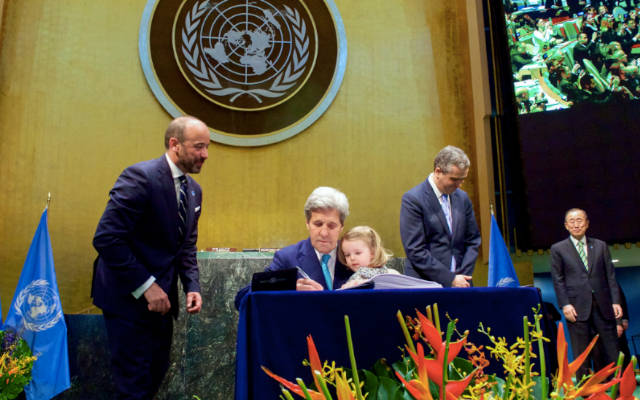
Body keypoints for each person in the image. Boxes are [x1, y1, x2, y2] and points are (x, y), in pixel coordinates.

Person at [91, 116, 210, 399]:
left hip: (162, 306)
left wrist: (192, 285)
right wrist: (147, 286)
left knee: (154, 377)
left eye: (207, 147)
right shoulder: (139, 177)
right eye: (198, 146)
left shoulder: (194, 190)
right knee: (133, 385)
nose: (205, 154)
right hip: (127, 300)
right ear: (175, 144)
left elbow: (185, 246)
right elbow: (107, 238)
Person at [234, 186, 353, 308]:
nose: (324, 233)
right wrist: (288, 288)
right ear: (307, 224)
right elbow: (242, 299)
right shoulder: (287, 257)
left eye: (331, 226)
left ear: (341, 227)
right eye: (318, 224)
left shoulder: (355, 254)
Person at [550, 208, 622, 380]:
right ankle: (584, 391)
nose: (576, 225)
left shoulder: (600, 245)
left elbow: (610, 276)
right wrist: (565, 304)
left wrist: (616, 301)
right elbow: (558, 279)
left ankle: (617, 388)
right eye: (572, 221)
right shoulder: (558, 249)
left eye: (579, 220)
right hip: (576, 308)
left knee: (611, 350)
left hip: (603, 306)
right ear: (566, 225)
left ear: (587, 223)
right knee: (581, 353)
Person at [400, 145, 481, 287]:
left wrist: (462, 277)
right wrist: (450, 279)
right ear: (438, 172)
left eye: (462, 179)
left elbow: (473, 240)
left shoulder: (462, 198)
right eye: (454, 179)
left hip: (462, 284)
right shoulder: (413, 199)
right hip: (426, 285)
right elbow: (415, 250)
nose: (459, 185)